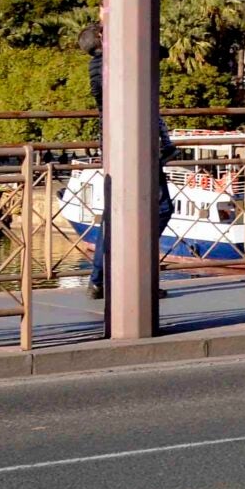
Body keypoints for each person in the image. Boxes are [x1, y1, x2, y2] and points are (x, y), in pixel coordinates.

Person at [79, 19, 173, 303]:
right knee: (160, 208)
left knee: (114, 213)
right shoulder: (119, 59)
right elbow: (159, 50)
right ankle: (135, 274)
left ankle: (102, 278)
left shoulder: (101, 64)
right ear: (102, 38)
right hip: (137, 143)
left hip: (118, 143)